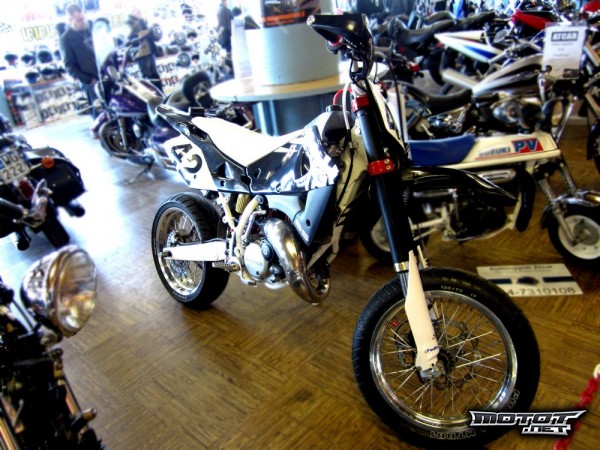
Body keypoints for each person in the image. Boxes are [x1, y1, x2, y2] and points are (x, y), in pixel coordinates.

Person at [59, 3, 98, 118]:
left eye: (83, 18)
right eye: (79, 20)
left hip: (104, 74)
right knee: (99, 112)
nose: (83, 21)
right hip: (90, 81)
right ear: (70, 20)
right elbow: (69, 67)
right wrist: (89, 80)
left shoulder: (90, 29)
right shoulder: (66, 39)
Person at [125, 9, 163, 92]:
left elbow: (149, 32)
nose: (139, 12)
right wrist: (149, 30)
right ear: (131, 12)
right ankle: (152, 95)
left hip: (150, 51)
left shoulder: (143, 21)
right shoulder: (128, 23)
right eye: (136, 11)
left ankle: (160, 93)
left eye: (139, 11)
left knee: (155, 74)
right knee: (147, 76)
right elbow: (136, 35)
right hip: (141, 53)